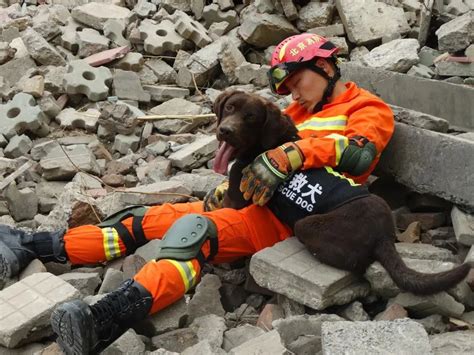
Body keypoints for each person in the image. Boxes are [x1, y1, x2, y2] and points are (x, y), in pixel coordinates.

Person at [0, 33, 394, 354]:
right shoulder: (294, 114)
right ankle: (35, 245)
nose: (293, 93)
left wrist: (294, 152)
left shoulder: (367, 107)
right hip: (254, 203)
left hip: (295, 219)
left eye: (297, 81)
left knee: (195, 234)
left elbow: (361, 155)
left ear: (323, 66)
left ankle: (104, 320)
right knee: (146, 219)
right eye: (287, 87)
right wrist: (230, 185)